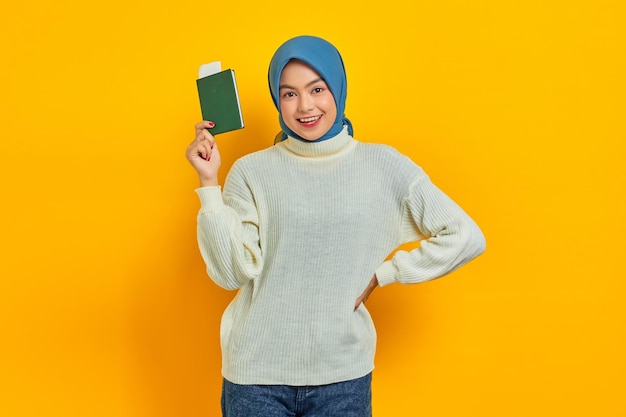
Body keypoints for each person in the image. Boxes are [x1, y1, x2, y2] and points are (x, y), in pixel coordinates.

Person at [185, 35, 486, 417]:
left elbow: (465, 235)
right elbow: (231, 274)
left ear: (338, 89)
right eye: (289, 93)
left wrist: (389, 273)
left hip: (343, 377)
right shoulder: (251, 171)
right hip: (255, 376)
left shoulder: (383, 166)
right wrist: (209, 184)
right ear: (277, 101)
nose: (305, 106)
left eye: (317, 89)